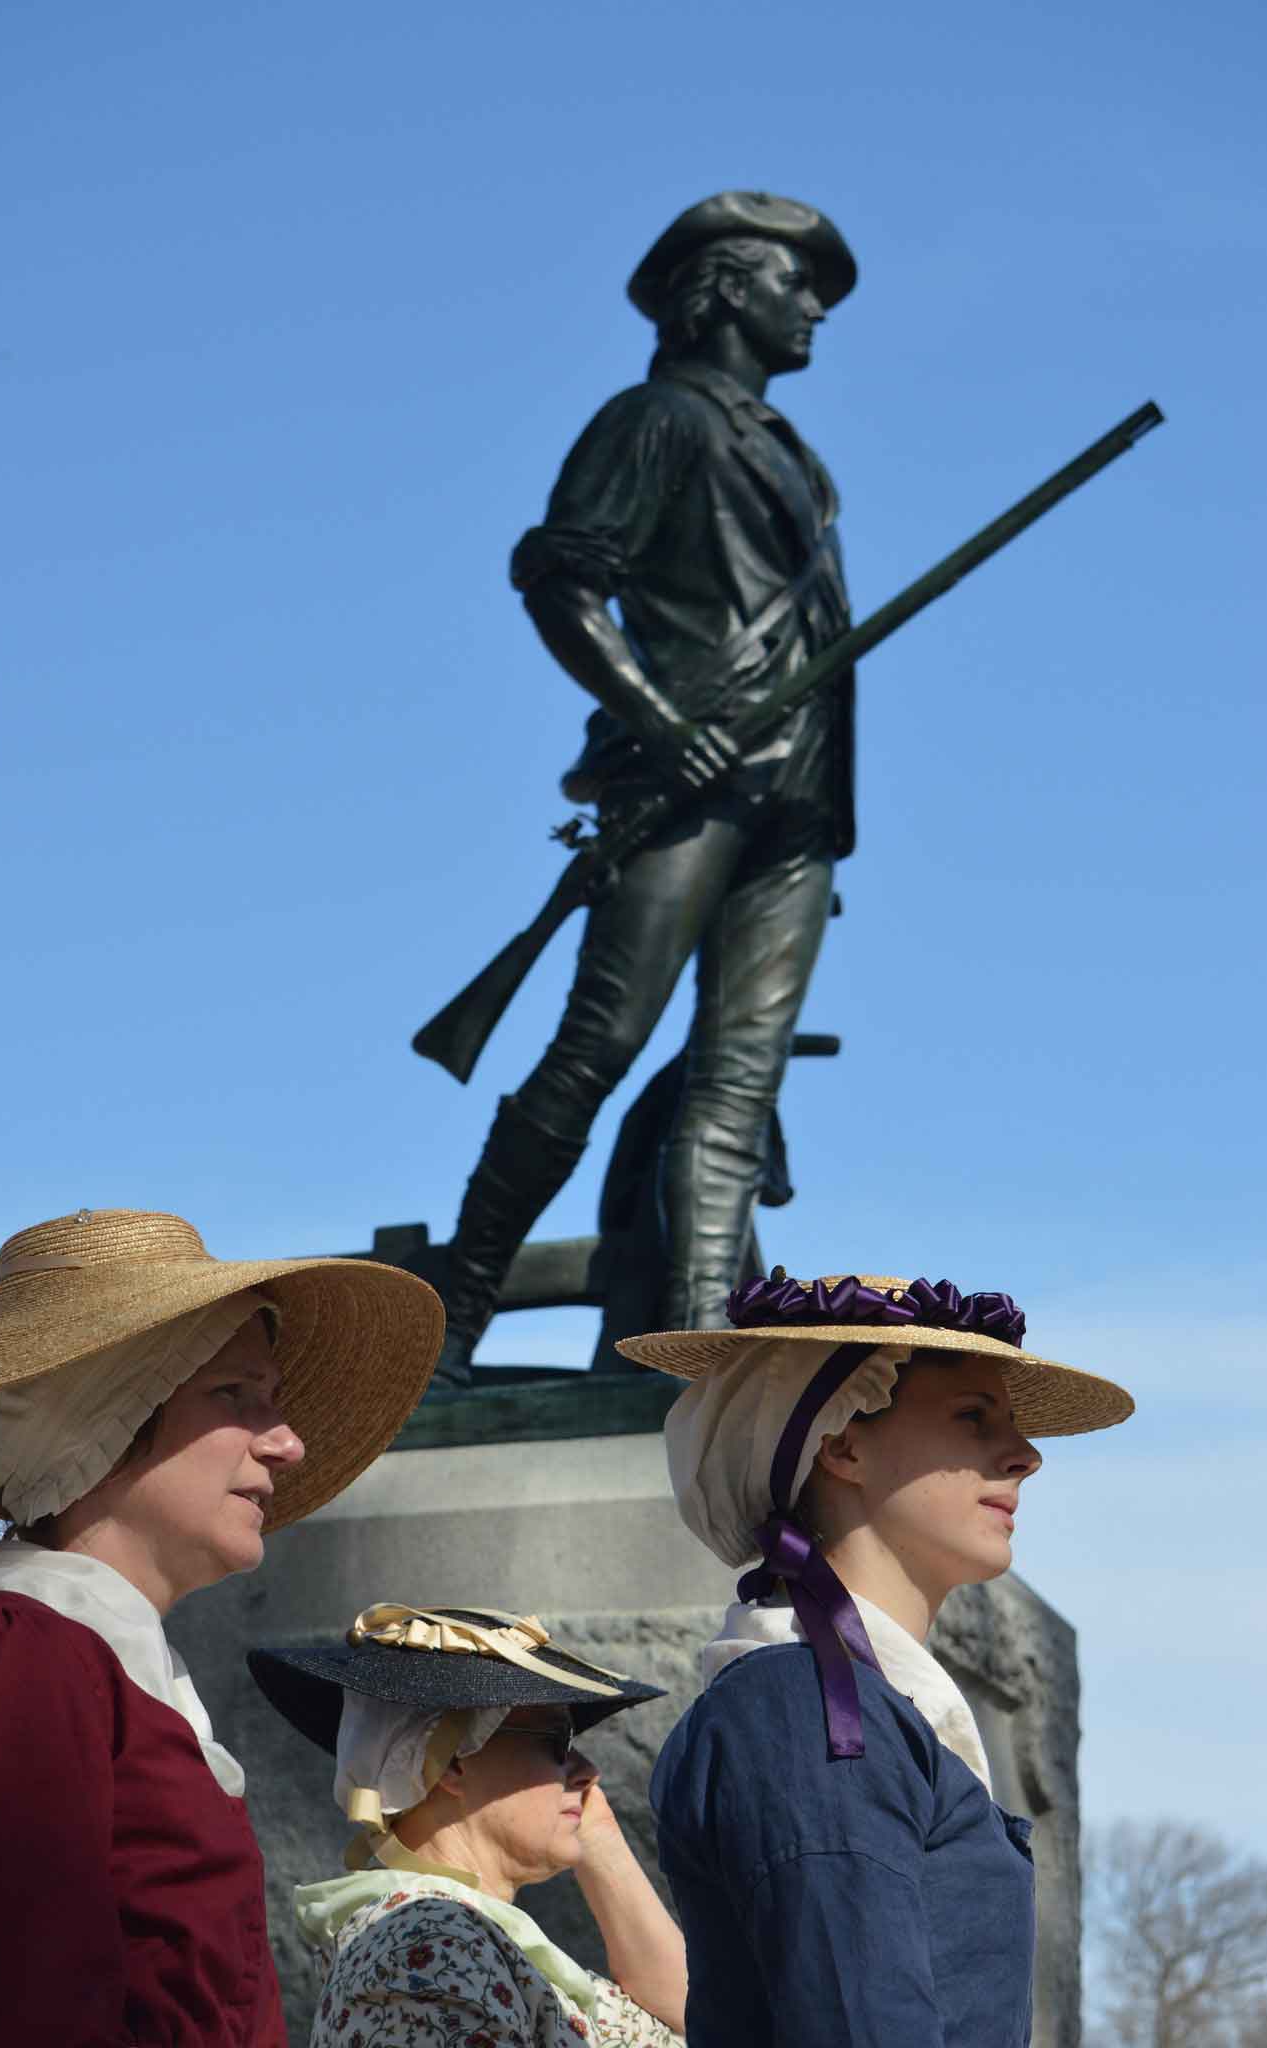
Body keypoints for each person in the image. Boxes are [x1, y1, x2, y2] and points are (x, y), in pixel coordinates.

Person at [431, 191, 860, 1390]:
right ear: (724, 290)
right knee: (596, 1050)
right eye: (793, 282)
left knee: (738, 1085)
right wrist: (665, 726)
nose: (814, 305)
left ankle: (705, 1349)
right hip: (689, 784)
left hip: (797, 794)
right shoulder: (656, 418)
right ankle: (453, 1320)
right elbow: (562, 580)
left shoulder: (787, 451)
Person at [0, 1205, 444, 2048]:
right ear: (98, 1419)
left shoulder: (95, 1663)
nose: (288, 1444)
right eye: (233, 1394)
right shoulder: (18, 1662)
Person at [616, 1267, 1136, 2047]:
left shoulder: (842, 1703)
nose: (1025, 1454)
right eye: (973, 1416)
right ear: (844, 1443)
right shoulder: (805, 1710)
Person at [248, 1599, 688, 2046]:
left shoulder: (465, 1940)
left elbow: (689, 2016)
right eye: (558, 1740)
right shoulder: (427, 1945)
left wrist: (599, 1833)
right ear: (453, 1764)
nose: (588, 1770)